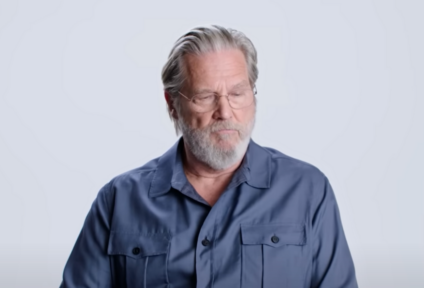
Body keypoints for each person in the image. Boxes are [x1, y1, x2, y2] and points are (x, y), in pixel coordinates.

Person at [60, 25, 358, 288]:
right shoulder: (119, 199)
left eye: (238, 93)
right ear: (173, 104)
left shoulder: (308, 191)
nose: (225, 112)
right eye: (205, 97)